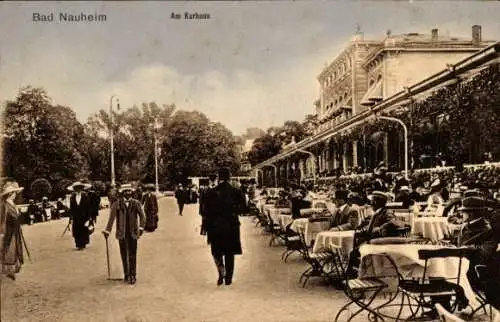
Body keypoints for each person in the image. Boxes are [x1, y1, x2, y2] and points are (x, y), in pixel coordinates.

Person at [205, 168, 245, 286]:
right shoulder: (236, 191)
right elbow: (243, 209)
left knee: (217, 251)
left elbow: (207, 211)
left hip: (216, 226)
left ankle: (220, 272)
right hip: (231, 225)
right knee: (229, 253)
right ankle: (228, 278)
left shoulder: (211, 192)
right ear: (229, 177)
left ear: (219, 177)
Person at [102, 184, 146, 285]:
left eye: (129, 191)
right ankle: (126, 274)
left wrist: (141, 227)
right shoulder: (117, 204)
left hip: (133, 232)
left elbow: (143, 216)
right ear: (122, 193)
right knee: (123, 254)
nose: (127, 193)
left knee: (132, 254)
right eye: (125, 191)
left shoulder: (136, 203)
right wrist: (107, 230)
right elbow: (111, 218)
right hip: (122, 233)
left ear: (132, 192)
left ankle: (133, 275)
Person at [0, 181, 25, 280]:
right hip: (7, 231)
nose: (15, 195)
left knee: (14, 249)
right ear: (10, 194)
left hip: (14, 231)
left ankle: (11, 270)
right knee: (8, 249)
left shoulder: (12, 204)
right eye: (14, 193)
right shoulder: (4, 205)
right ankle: (7, 270)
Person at [68, 181, 92, 250]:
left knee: (83, 230)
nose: (78, 190)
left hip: (84, 217)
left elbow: (88, 208)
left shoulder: (85, 196)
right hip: (76, 217)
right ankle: (78, 244)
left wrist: (88, 219)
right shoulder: (72, 198)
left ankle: (83, 244)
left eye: (79, 188)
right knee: (77, 231)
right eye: (76, 189)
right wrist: (71, 218)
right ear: (74, 189)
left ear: (82, 189)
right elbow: (71, 208)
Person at [199, 175, 217, 239]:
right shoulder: (205, 190)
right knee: (209, 225)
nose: (212, 182)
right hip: (208, 211)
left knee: (214, 226)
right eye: (212, 181)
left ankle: (212, 238)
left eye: (213, 180)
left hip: (215, 211)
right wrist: (201, 211)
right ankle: (209, 238)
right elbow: (201, 202)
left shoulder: (217, 189)